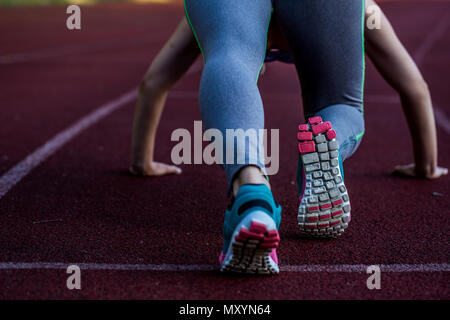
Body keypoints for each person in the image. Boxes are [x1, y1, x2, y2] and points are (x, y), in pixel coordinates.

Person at [130, 0, 447, 274]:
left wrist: (142, 162)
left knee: (231, 58)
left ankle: (251, 191)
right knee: (340, 102)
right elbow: (415, 87)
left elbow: (154, 82)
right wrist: (426, 166)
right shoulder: (365, 10)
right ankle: (330, 141)